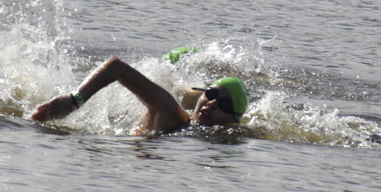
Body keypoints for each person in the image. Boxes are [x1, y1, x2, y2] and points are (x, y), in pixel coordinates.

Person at [30, 55, 249, 135]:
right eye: (210, 94)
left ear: (234, 120)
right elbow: (116, 67)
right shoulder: (170, 112)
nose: (211, 104)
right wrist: (74, 100)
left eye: (224, 105)